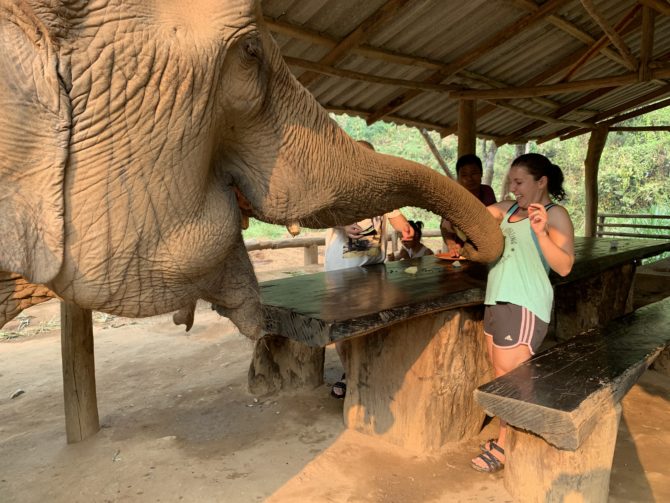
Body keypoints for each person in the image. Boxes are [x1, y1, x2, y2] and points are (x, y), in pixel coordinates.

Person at [470, 153, 575, 473]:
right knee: (501, 375)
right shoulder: (507, 209)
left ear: (541, 182)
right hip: (497, 300)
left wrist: (541, 232)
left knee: (513, 379)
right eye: (510, 182)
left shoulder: (556, 215)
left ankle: (505, 445)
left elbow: (564, 266)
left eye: (519, 182)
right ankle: (510, 437)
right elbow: (472, 215)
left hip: (525, 304)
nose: (513, 188)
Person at [325, 140, 414, 398]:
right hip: (342, 270)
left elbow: (401, 224)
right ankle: (349, 374)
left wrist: (406, 231)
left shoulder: (382, 192)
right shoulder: (337, 189)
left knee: (371, 323)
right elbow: (319, 215)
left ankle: (369, 371)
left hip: (374, 269)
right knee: (344, 326)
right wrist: (342, 224)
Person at [441, 154, 497, 257]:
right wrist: (451, 244)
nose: (470, 179)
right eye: (464, 175)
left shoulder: (487, 192)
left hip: (487, 251)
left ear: (481, 174)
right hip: (461, 253)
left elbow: (494, 221)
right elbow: (444, 227)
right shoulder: (452, 198)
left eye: (474, 173)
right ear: (458, 177)